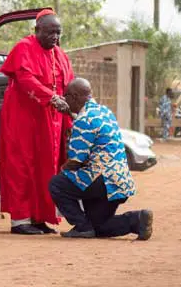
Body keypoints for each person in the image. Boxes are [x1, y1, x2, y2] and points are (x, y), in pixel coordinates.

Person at [0, 9, 74, 235]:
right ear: (37, 30)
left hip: (51, 121)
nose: (55, 38)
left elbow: (69, 83)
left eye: (58, 33)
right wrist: (50, 98)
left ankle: (40, 217)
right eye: (51, 33)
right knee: (22, 166)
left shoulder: (59, 54)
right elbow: (25, 79)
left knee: (47, 168)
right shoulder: (23, 47)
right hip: (23, 119)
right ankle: (20, 221)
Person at [49, 78, 153, 240]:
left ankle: (82, 227)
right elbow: (91, 127)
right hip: (120, 181)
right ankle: (137, 220)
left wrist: (63, 170)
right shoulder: (105, 111)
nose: (65, 100)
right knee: (98, 226)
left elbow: (76, 161)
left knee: (57, 184)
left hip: (102, 181)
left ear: (74, 97)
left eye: (66, 96)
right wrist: (70, 114)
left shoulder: (83, 120)